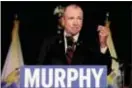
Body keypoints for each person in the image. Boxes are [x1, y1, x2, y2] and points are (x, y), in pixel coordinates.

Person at [38, 4, 112, 75]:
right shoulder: (50, 42)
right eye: (71, 18)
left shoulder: (90, 43)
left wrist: (103, 44)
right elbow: (38, 72)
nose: (75, 23)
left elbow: (106, 71)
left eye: (79, 18)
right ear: (63, 20)